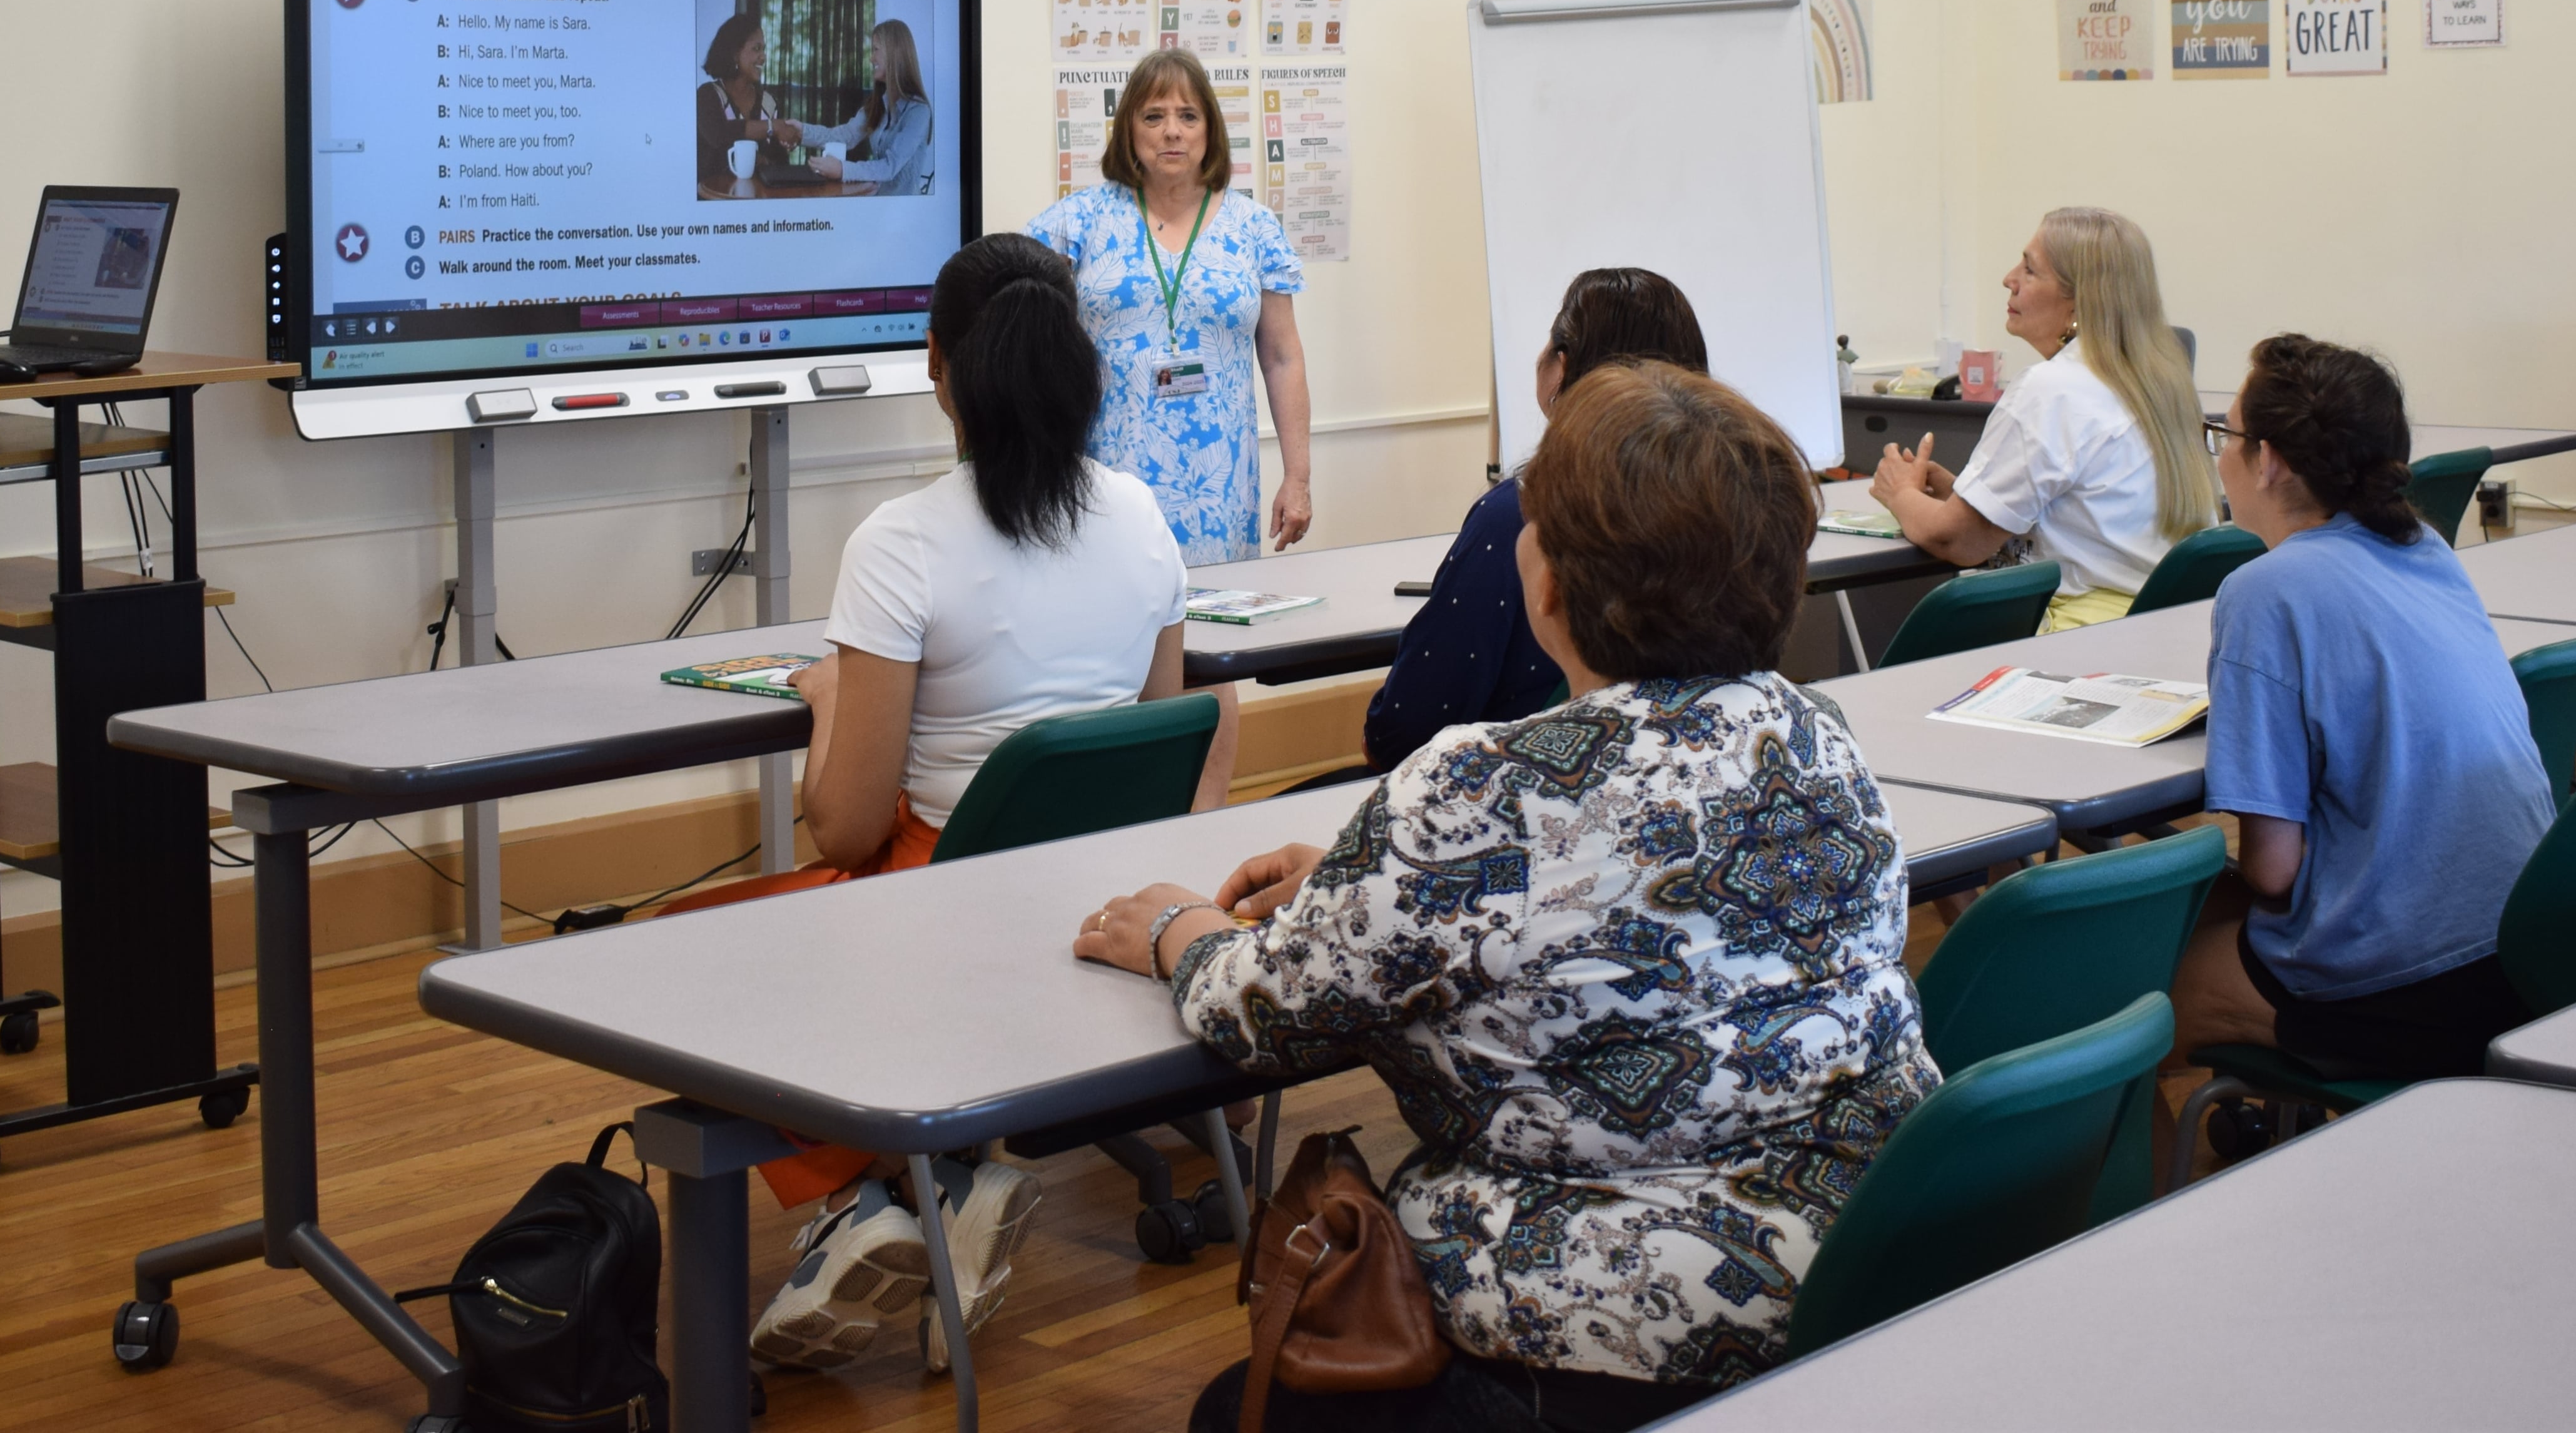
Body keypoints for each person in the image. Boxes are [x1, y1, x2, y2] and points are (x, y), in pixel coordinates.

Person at [1075, 362, 1934, 1430]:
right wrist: (1365, 874)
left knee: (1230, 1413)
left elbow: (1266, 1016)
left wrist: (1178, 930)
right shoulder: (1816, 735)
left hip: (1620, 1334)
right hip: (1871, 1262)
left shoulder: (1481, 788)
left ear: (1553, 585)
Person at [666, 233, 1210, 1372]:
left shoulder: (902, 543)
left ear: (938, 369)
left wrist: (829, 699)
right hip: (1103, 903)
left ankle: (868, 1207)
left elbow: (850, 828)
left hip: (942, 901)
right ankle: (933, 1188)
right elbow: (1157, 735)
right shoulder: (1145, 518)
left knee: (678, 955)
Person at [2166, 332, 2553, 1101]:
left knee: (2113, 1004)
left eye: (2226, 436)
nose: (2220, 454)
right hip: (2528, 948)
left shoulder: (2263, 591)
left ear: (2269, 459)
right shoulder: (2427, 546)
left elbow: (2275, 874)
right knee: (2193, 907)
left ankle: (2150, 1219)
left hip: (2406, 989)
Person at [1358, 267, 1708, 774]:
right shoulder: (1724, 507)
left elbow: (1406, 734)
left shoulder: (1520, 518)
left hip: (1513, 796)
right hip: (1682, 779)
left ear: (1561, 368)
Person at [1867, 206, 2211, 633]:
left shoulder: (2053, 388)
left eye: (2029, 270)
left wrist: (1900, 492)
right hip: (2166, 634)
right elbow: (2092, 517)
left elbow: (1955, 540)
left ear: (2078, 299)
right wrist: (1967, 493)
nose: (2008, 279)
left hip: (2082, 645)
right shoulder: (2162, 381)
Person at [1028, 46, 1312, 563]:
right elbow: (1017, 329)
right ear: (1130, 130)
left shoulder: (1255, 229)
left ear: (1211, 130)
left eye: (1188, 116)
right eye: (1153, 116)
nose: (1172, 132)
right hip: (1103, 478)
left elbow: (1282, 358)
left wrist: (1298, 478)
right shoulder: (1078, 223)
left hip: (1218, 483)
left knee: (1216, 621)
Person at [792, 16, 936, 195]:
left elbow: (890, 167)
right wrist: (801, 132)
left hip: (904, 214)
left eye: (876, 50)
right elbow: (844, 136)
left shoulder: (919, 112)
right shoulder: (877, 105)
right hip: (876, 204)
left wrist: (843, 170)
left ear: (895, 53)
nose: (871, 58)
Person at [694, 7, 801, 191]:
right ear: (735, 53)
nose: (764, 57)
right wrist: (772, 126)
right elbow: (718, 135)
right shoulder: (708, 95)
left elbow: (781, 163)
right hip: (712, 205)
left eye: (764, 50)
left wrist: (780, 146)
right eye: (756, 49)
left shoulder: (769, 103)